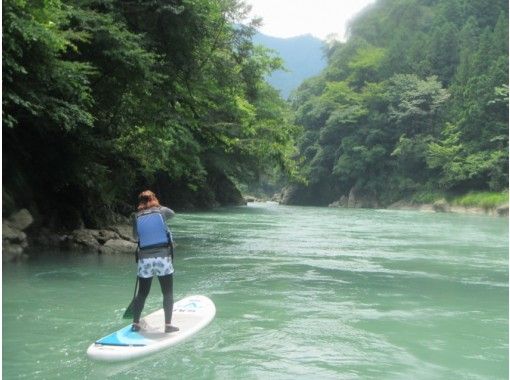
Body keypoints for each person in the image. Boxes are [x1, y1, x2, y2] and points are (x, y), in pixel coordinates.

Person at [131, 190, 179, 333]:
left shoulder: (135, 216)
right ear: (154, 198)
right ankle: (168, 325)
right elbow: (173, 213)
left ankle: (135, 324)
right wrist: (155, 205)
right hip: (163, 258)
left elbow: (135, 236)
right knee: (168, 293)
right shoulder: (162, 211)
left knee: (142, 293)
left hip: (145, 260)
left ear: (140, 202)